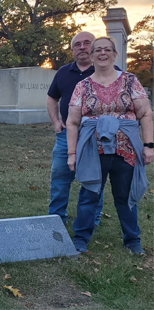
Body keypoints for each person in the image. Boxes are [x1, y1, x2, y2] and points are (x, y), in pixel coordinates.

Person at [66, 36, 153, 254]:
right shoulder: (82, 86)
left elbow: (145, 114)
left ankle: (133, 240)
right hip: (92, 150)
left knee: (125, 197)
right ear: (92, 55)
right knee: (88, 196)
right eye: (98, 50)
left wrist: (149, 145)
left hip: (126, 149)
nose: (102, 53)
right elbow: (72, 121)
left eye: (107, 49)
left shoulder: (130, 81)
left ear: (115, 54)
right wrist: (71, 153)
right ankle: (80, 239)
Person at [47, 31, 105, 226]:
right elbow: (52, 97)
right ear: (72, 50)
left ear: (95, 47)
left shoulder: (107, 70)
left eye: (87, 43)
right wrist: (56, 121)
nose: (82, 47)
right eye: (77, 44)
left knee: (93, 179)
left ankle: (91, 219)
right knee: (59, 178)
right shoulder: (63, 72)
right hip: (65, 136)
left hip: (95, 136)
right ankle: (56, 216)